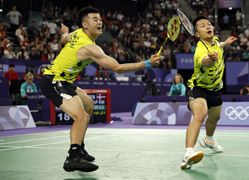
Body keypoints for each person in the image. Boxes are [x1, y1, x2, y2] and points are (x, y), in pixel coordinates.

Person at [39, 7, 160, 172]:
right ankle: (73, 157)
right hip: (53, 80)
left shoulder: (76, 33)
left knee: (89, 105)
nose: (100, 22)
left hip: (65, 81)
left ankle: (79, 147)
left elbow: (64, 40)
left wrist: (63, 33)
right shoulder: (90, 48)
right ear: (85, 24)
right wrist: (146, 63)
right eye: (95, 19)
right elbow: (117, 68)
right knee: (80, 116)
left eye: (100, 19)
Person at [181, 16, 237, 169]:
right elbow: (205, 61)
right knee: (200, 114)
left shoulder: (216, 41)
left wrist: (225, 44)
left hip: (215, 88)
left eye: (209, 24)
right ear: (197, 34)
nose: (208, 27)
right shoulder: (200, 50)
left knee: (215, 117)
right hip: (198, 87)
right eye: (202, 25)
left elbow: (218, 45)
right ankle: (188, 153)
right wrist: (210, 59)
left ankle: (209, 140)